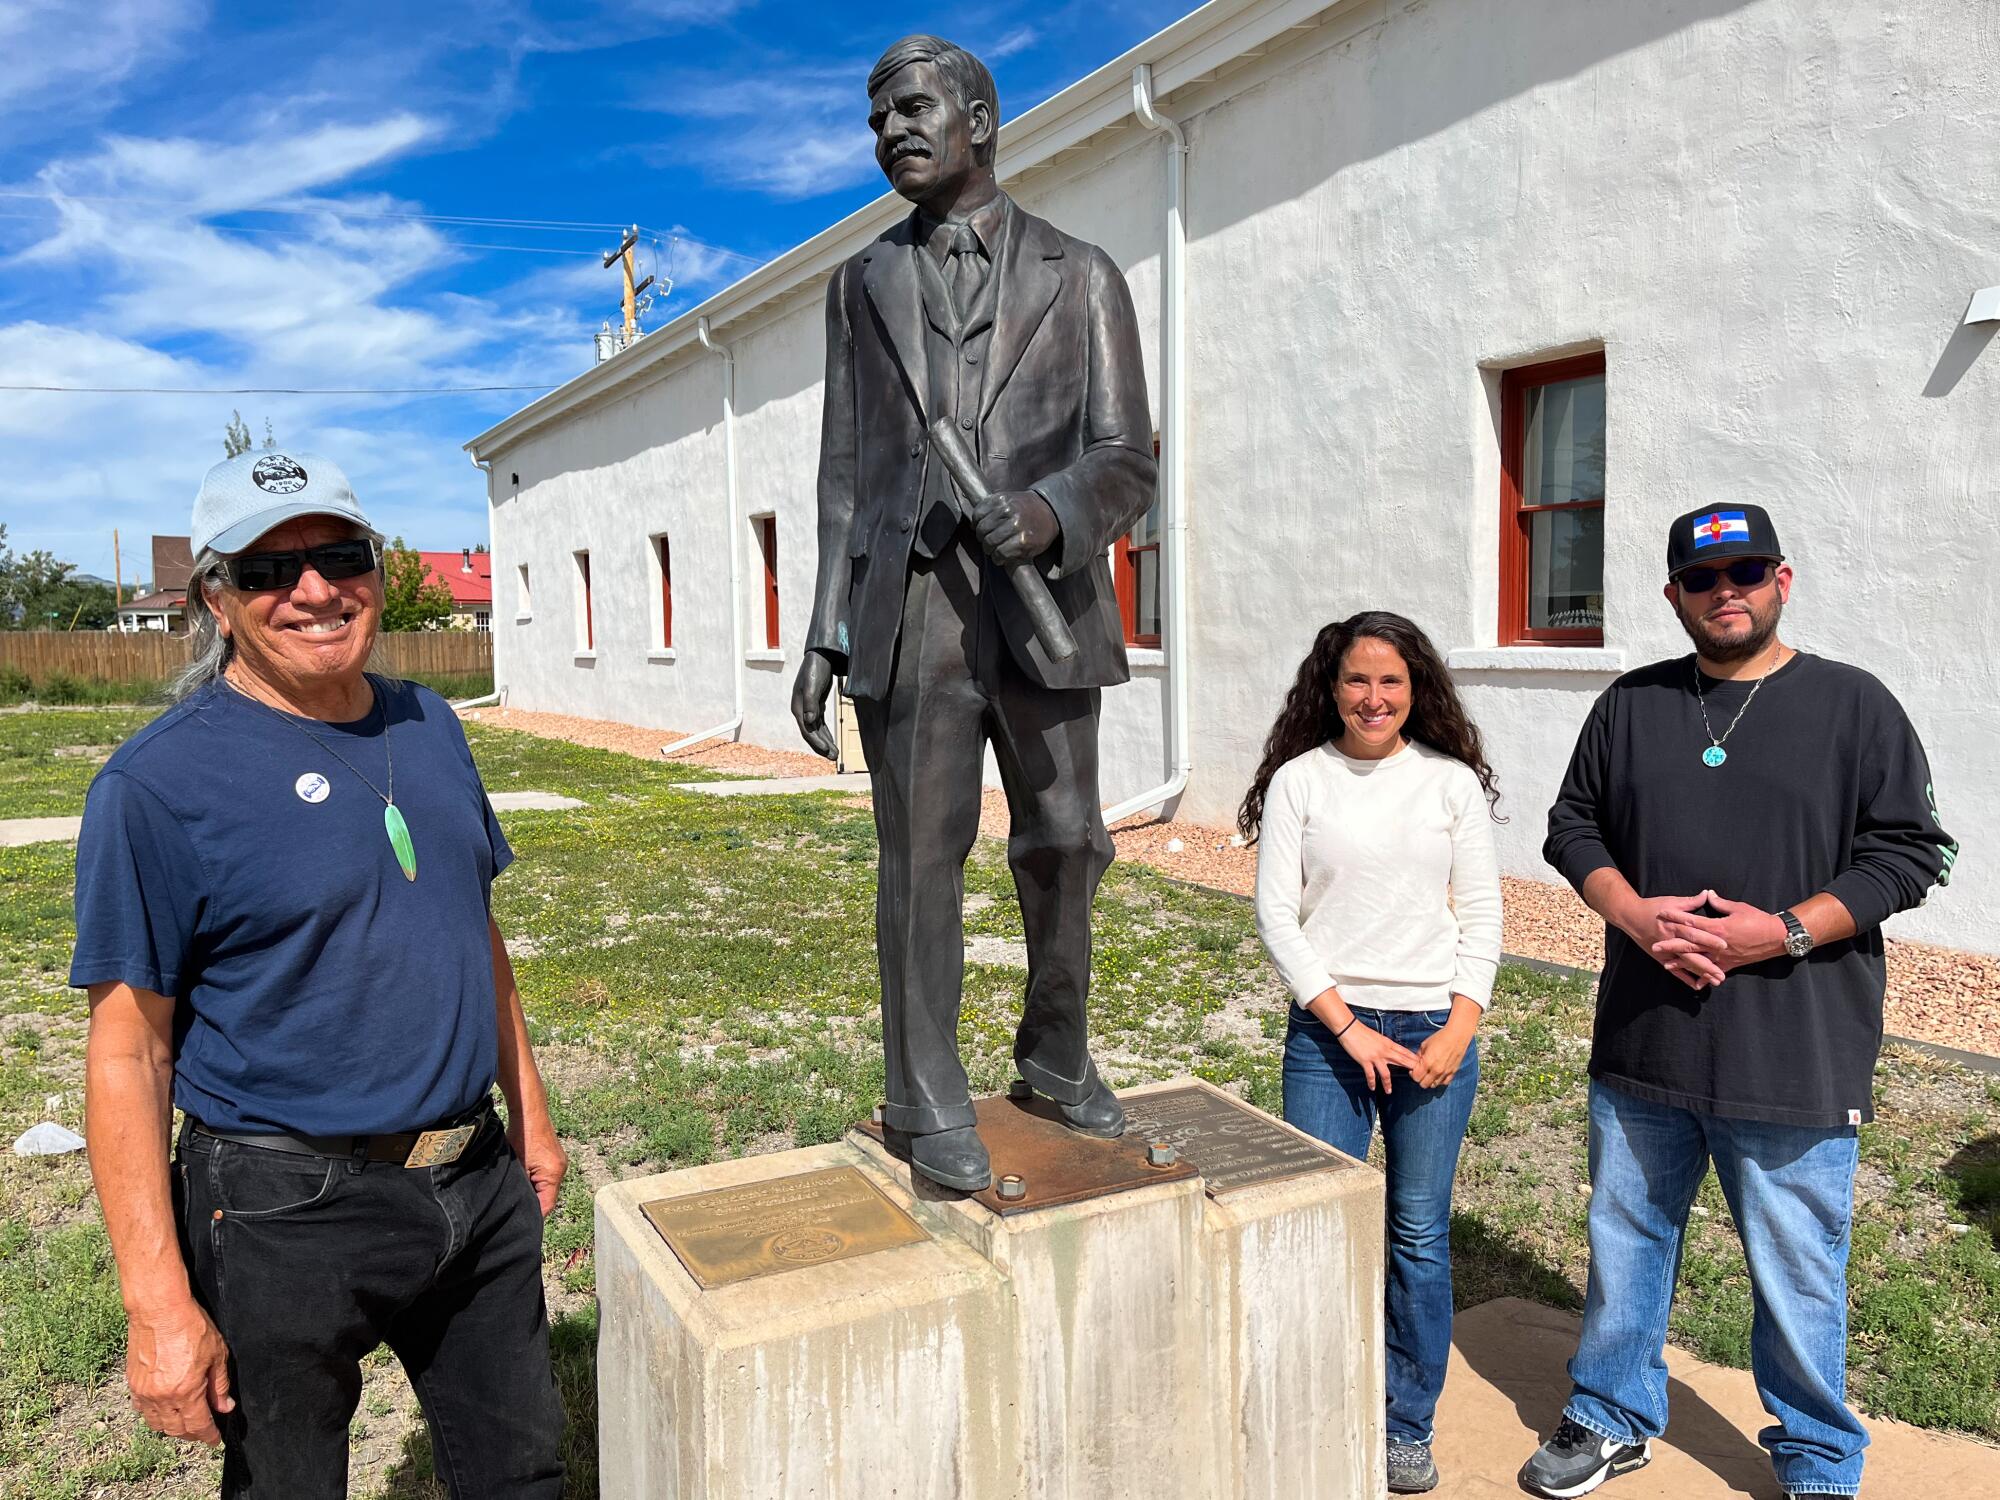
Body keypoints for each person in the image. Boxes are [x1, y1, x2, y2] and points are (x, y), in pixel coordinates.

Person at [73, 448, 567, 1499]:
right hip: (279, 1208)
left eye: (340, 556)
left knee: (521, 1473)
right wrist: (158, 1301)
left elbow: (470, 927)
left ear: (377, 570)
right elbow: (128, 1051)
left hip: (470, 1178)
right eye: (267, 571)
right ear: (217, 598)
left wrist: (528, 1111)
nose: (313, 590)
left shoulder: (428, 725)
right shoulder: (156, 785)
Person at [1519, 504, 1957, 1500]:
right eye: (1702, 578)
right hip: (1644, 1038)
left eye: (1745, 573)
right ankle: (1609, 1413)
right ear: (1672, 594)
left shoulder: (1854, 707)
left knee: (1796, 1270)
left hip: (1793, 1045)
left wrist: (1785, 929)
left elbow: (1908, 855)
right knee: (1624, 1241)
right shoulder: (1629, 705)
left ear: (1781, 581)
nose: (1726, 592)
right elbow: (1570, 827)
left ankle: (1813, 1458)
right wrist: (1629, 914)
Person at [790, 34, 1157, 1191]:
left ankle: (1053, 1056)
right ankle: (923, 1093)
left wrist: (1045, 516)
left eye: (911, 108)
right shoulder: (862, 283)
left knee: (1062, 845)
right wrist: (823, 629)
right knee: (921, 860)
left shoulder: (1083, 273)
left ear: (980, 117)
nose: (891, 131)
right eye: (876, 119)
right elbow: (843, 473)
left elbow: (1125, 457)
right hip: (914, 609)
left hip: (1045, 605)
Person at [1242, 610, 1504, 1496]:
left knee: (1418, 1234)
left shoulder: (1450, 784)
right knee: (1320, 1227)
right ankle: (1319, 1406)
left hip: (1434, 1032)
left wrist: (1458, 1027)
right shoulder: (1300, 782)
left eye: (1391, 681)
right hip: (1329, 1037)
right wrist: (1346, 1025)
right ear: (1331, 685)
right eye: (1358, 679)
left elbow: (1481, 915)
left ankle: (1404, 1424)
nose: (1374, 697)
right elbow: (1277, 916)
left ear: (1415, 688)